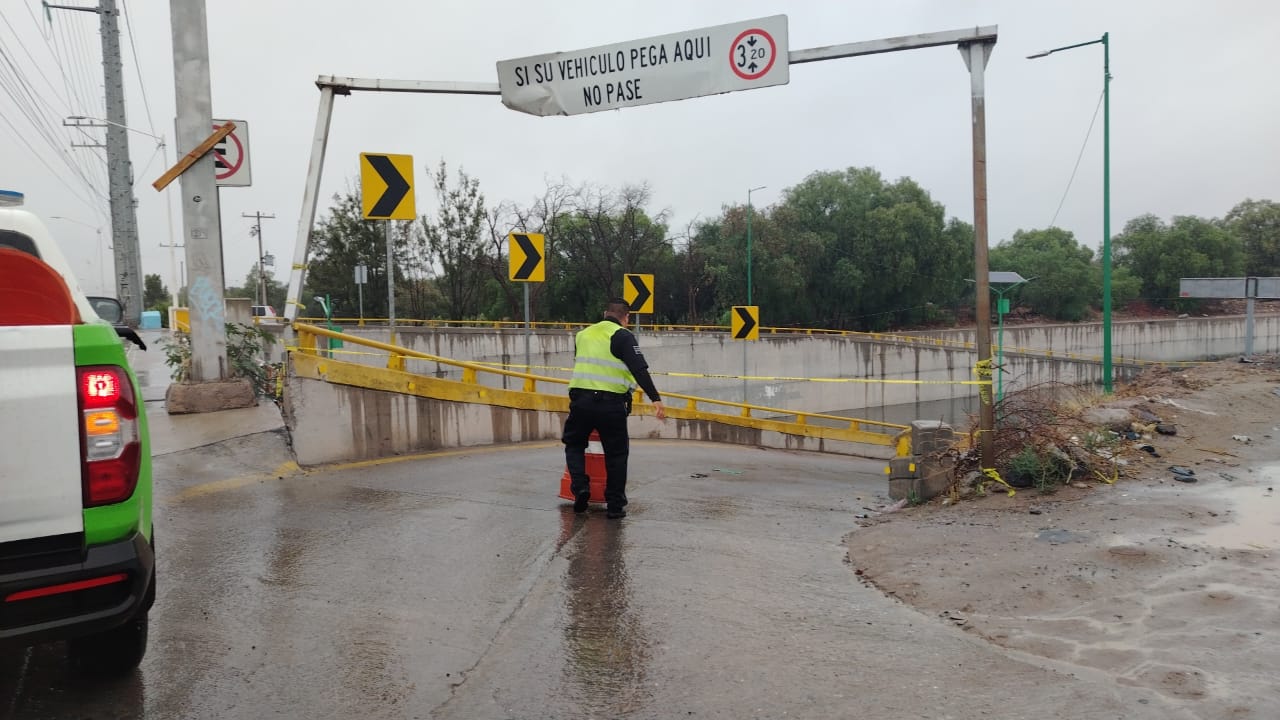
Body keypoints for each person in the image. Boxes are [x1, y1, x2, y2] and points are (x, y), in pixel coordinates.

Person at [563, 297, 666, 519]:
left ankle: (580, 487)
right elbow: (639, 369)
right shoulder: (622, 336)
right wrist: (655, 399)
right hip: (610, 404)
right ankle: (615, 506)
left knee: (573, 444)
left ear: (604, 314)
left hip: (580, 401)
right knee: (616, 454)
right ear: (626, 317)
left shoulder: (583, 335)